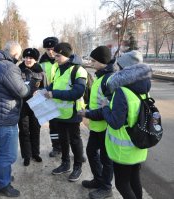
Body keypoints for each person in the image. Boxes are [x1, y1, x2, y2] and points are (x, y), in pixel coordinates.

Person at [0, 41, 31, 197]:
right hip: (4, 118)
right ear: (15, 54)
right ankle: (3, 185)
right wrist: (29, 85)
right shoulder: (8, 67)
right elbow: (22, 91)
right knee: (8, 154)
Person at [100, 50, 150, 199]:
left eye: (118, 65)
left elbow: (116, 123)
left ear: (124, 68)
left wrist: (105, 107)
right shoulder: (144, 87)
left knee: (122, 184)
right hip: (138, 144)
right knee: (135, 179)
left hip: (124, 149)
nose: (116, 67)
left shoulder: (122, 90)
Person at [43, 42, 87, 182]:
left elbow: (77, 92)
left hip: (73, 113)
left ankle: (77, 167)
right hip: (59, 112)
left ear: (66, 55)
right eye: (54, 55)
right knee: (63, 140)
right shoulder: (58, 68)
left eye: (58, 55)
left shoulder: (78, 70)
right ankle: (65, 163)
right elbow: (54, 84)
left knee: (75, 140)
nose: (55, 58)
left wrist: (54, 94)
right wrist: (45, 90)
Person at [78, 46, 115, 199]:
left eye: (93, 60)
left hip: (105, 126)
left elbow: (109, 109)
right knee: (91, 152)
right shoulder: (100, 77)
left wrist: (87, 113)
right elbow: (97, 102)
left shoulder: (109, 80)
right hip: (96, 125)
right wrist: (88, 108)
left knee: (106, 159)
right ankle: (98, 180)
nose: (91, 63)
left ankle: (106, 187)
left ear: (102, 61)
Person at [18, 48, 46, 166]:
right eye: (26, 57)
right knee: (24, 131)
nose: (28, 60)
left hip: (36, 105)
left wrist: (39, 92)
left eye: (31, 58)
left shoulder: (41, 72)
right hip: (22, 106)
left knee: (35, 129)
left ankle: (35, 153)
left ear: (35, 59)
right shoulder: (18, 70)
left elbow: (46, 88)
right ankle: (26, 156)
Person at [39, 36, 61, 157]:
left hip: (64, 97)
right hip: (49, 98)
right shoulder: (41, 63)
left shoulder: (63, 60)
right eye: (48, 49)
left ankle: (71, 149)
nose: (50, 52)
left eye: (52, 49)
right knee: (54, 125)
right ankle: (56, 147)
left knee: (69, 126)